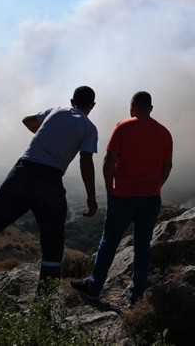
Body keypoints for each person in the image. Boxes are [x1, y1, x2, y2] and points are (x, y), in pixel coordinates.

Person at [0, 86, 99, 305]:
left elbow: (28, 120)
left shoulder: (56, 110)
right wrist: (91, 197)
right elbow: (85, 161)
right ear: (92, 106)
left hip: (23, 171)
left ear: (72, 101)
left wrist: (47, 135)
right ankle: (43, 306)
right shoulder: (89, 128)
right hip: (50, 180)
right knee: (52, 244)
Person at [70, 91, 173, 305]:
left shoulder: (123, 127)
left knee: (109, 242)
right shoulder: (164, 132)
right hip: (151, 197)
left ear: (132, 106)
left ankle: (94, 286)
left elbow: (109, 161)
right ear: (151, 108)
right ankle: (137, 294)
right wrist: (157, 186)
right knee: (143, 245)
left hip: (123, 195)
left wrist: (109, 188)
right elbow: (167, 166)